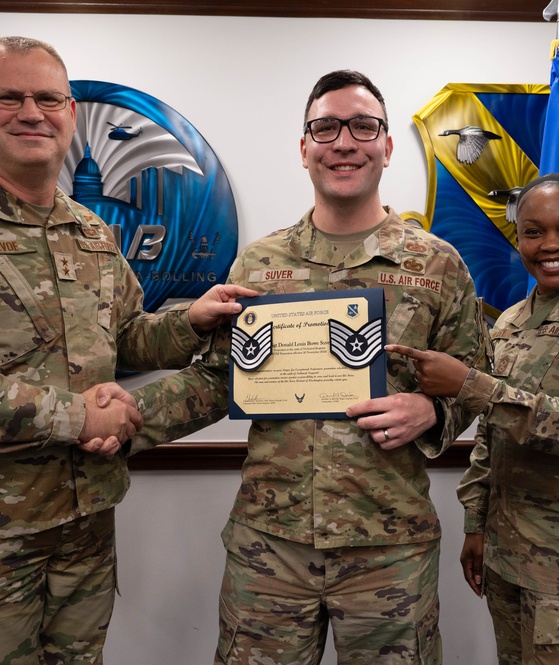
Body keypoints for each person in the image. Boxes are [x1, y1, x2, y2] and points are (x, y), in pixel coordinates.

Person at [0, 35, 255, 664]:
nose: (31, 112)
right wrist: (79, 417)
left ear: (70, 112)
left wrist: (191, 323)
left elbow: (125, 340)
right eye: (9, 96)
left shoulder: (89, 230)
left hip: (82, 530)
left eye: (47, 98)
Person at [128, 70, 487, 664]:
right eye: (325, 127)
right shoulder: (260, 262)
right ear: (304, 148)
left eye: (363, 126)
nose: (344, 142)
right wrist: (127, 416)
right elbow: (220, 380)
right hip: (270, 547)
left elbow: (473, 383)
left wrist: (431, 411)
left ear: (387, 146)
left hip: (389, 549)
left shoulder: (437, 263)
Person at [387, 172, 559, 664]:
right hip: (513, 559)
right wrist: (477, 525)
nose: (550, 245)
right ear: (518, 238)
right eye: (533, 232)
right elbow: (494, 437)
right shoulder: (513, 320)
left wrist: (469, 385)